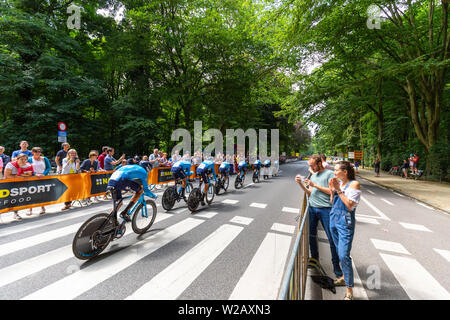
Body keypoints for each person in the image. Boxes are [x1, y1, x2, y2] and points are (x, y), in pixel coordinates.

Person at [295, 155, 342, 282]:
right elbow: (310, 193)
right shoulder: (313, 175)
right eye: (309, 165)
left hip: (326, 209)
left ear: (320, 164)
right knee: (311, 235)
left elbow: (332, 191)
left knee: (331, 238)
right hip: (312, 208)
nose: (310, 168)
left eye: (312, 165)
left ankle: (337, 267)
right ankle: (314, 259)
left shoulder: (329, 174)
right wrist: (301, 184)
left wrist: (315, 185)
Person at [328, 161, 361, 300]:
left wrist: (338, 190)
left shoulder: (354, 184)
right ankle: (343, 277)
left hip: (344, 221)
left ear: (345, 172)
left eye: (336, 170)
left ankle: (349, 292)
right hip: (334, 219)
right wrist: (332, 190)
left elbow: (349, 206)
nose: (334, 173)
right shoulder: (339, 184)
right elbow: (332, 202)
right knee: (338, 250)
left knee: (343, 255)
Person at [4, 153, 34, 220]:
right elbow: (7, 176)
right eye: (21, 159)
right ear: (17, 159)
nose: (23, 161)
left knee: (17, 200)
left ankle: (16, 213)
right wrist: (21, 176)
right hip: (10, 184)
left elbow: (30, 175)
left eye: (25, 159)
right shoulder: (10, 164)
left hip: (20, 185)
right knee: (5, 200)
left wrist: (21, 176)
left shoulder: (28, 165)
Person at [27, 147, 51, 215]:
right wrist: (35, 174)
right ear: (33, 152)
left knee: (42, 193)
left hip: (43, 178)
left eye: (39, 151)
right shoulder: (29, 159)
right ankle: (30, 209)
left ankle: (43, 208)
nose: (38, 153)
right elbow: (27, 168)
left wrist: (44, 174)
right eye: (36, 151)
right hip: (33, 178)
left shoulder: (44, 158)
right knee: (31, 193)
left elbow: (48, 167)